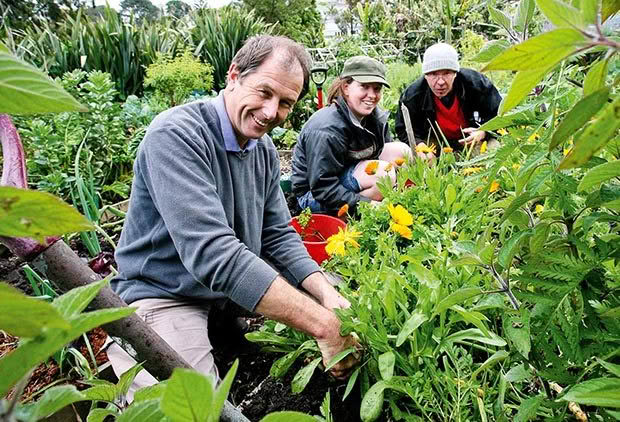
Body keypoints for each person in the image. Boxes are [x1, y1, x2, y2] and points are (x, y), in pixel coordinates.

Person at [106, 35, 360, 401]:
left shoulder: (262, 148)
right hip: (165, 293)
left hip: (221, 294)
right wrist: (323, 325)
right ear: (234, 75)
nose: (272, 112)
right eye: (264, 92)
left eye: (286, 103)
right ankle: (133, 350)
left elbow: (277, 233)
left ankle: (226, 327)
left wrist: (325, 292)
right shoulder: (177, 136)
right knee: (193, 407)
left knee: (339, 290)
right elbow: (213, 255)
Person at [291, 56, 412, 215]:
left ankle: (396, 203)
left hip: (345, 176)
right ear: (346, 88)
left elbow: (379, 155)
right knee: (382, 174)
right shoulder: (326, 129)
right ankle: (361, 215)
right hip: (313, 197)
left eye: (376, 88)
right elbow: (323, 188)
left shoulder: (374, 118)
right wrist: (366, 205)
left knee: (402, 152)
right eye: (364, 87)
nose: (372, 95)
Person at [395, 42, 502, 160]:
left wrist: (483, 131)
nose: (440, 82)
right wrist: (420, 147)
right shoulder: (413, 96)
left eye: (446, 73)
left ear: (455, 73)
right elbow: (403, 129)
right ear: (425, 75)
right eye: (433, 74)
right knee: (416, 156)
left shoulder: (476, 84)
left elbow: (500, 114)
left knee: (494, 149)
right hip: (435, 142)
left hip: (471, 140)